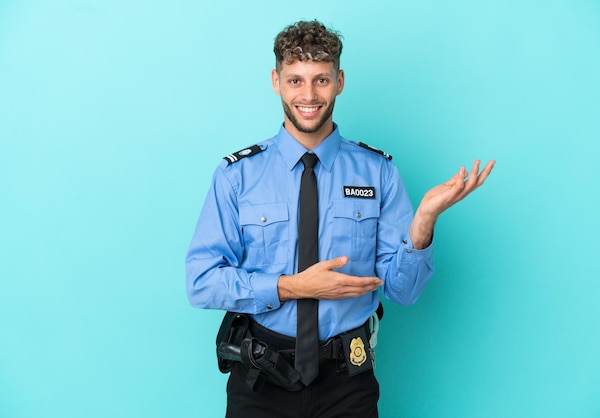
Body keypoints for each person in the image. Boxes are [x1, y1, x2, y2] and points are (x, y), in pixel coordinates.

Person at [186, 20, 495, 418]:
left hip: (347, 382)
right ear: (276, 81)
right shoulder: (237, 176)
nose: (309, 95)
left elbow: (403, 291)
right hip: (260, 380)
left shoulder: (377, 172)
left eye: (321, 80)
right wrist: (292, 287)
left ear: (340, 81)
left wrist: (423, 223)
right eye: (295, 80)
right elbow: (201, 282)